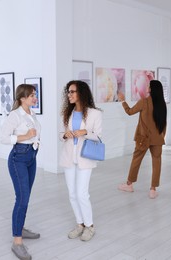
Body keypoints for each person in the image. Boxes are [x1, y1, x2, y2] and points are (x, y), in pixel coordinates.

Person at [1, 84, 41, 260]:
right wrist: (25, 136)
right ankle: (17, 242)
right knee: (22, 198)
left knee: (26, 196)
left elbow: (35, 135)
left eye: (35, 95)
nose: (35, 98)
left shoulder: (32, 114)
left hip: (32, 157)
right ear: (22, 98)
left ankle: (20, 227)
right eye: (32, 95)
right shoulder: (15, 115)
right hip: (19, 158)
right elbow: (3, 138)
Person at [59, 80, 102, 242]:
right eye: (68, 92)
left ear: (81, 93)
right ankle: (80, 224)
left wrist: (85, 131)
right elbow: (60, 134)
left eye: (72, 92)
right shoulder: (67, 113)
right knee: (72, 194)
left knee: (82, 194)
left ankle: (90, 226)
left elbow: (98, 136)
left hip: (85, 157)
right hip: (69, 156)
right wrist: (65, 135)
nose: (69, 95)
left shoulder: (95, 113)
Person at [118, 80, 167, 199]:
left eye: (149, 86)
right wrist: (161, 137)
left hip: (143, 138)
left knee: (136, 160)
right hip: (157, 139)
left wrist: (123, 101)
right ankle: (153, 190)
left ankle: (129, 185)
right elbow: (164, 124)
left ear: (152, 89)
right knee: (157, 163)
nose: (147, 87)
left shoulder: (144, 102)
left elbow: (129, 112)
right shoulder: (162, 104)